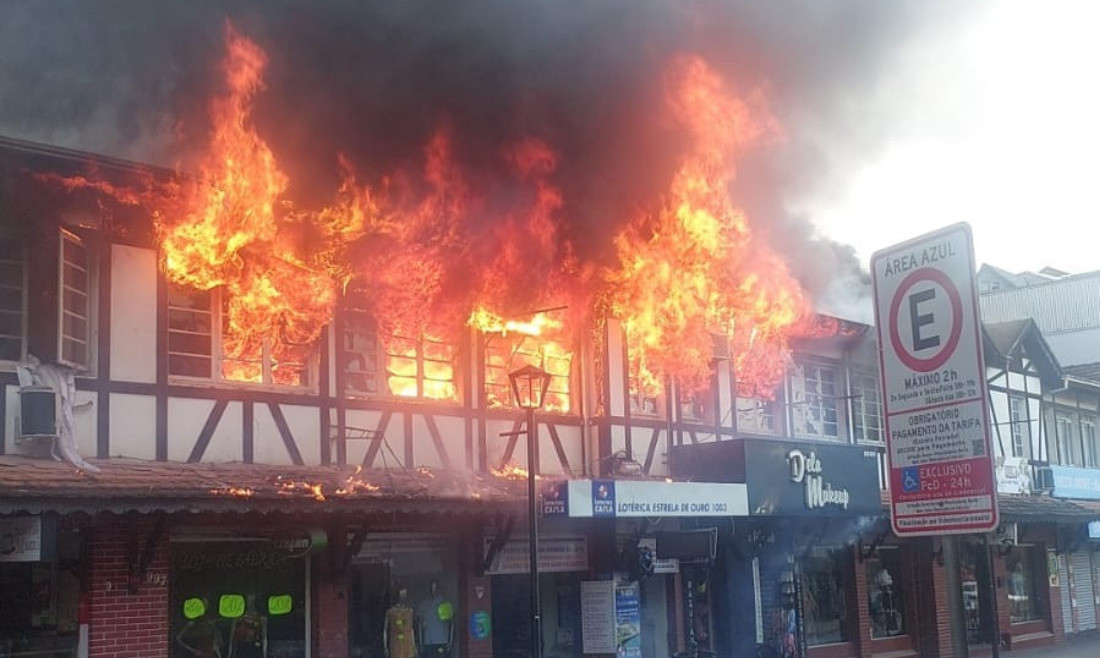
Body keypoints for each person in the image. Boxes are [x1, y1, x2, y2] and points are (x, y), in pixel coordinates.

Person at [417, 581, 454, 658]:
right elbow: (419, 624)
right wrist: (420, 642)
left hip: (442, 641)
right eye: (432, 588)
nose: (434, 591)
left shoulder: (446, 604)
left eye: (436, 588)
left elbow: (452, 624)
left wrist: (450, 642)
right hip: (428, 642)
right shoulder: (424, 605)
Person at [384, 588, 417, 658]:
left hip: (408, 646)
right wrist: (385, 646)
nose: (402, 597)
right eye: (401, 594)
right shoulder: (391, 612)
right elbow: (385, 630)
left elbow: (412, 630)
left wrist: (414, 646)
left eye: (404, 594)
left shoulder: (410, 611)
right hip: (396, 646)